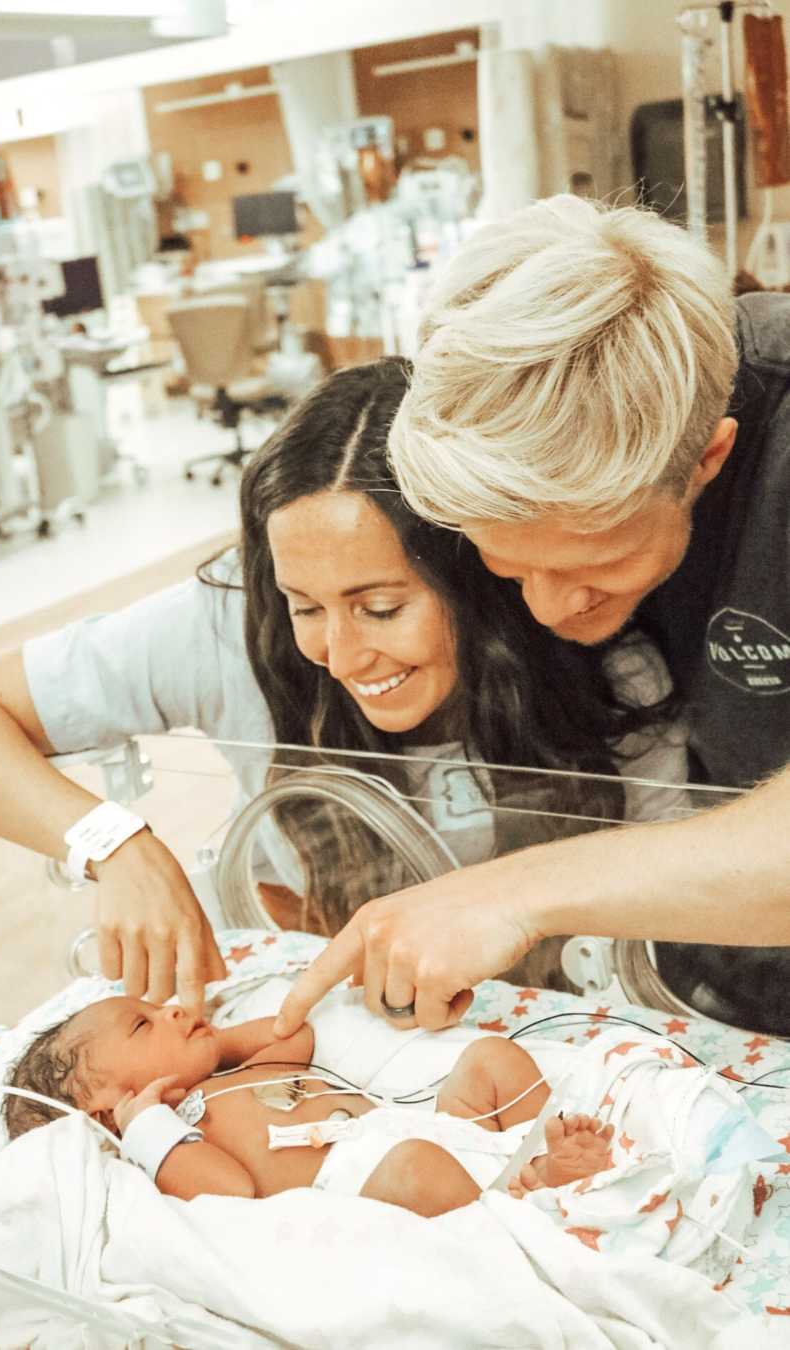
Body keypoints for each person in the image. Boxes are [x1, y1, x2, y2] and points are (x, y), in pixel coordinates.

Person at [0, 359, 683, 1017]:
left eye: (380, 608)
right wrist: (113, 845)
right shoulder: (228, 622)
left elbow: (664, 887)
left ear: (479, 575)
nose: (341, 654)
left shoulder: (597, 657)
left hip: (558, 1023)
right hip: (327, 1014)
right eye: (306, 607)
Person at [273, 195, 790, 1042]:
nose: (551, 609)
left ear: (710, 457)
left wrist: (510, 892)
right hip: (714, 986)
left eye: (598, 566)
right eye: (510, 570)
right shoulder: (523, 418)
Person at [1, 992, 615, 1214]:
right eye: (145, 1026)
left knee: (489, 1060)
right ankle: (528, 1206)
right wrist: (148, 1130)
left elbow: (295, 1035)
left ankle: (540, 1148)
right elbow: (232, 1194)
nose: (176, 1010)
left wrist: (214, 1044)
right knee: (416, 1167)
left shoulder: (239, 1072)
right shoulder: (172, 1149)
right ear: (111, 1110)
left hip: (429, 1125)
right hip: (370, 1178)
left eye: (160, 1006)